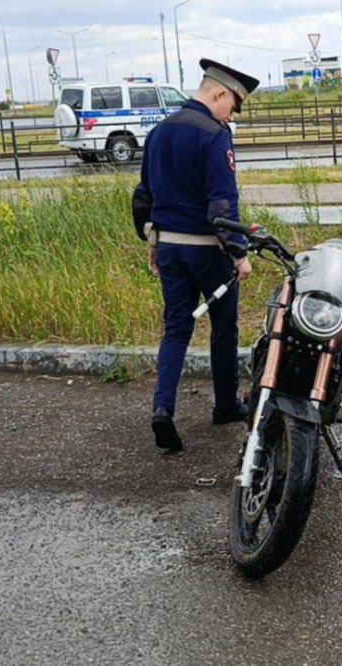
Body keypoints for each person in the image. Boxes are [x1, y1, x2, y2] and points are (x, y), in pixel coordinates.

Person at [132, 58, 260, 453]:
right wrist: (239, 255)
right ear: (219, 93)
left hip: (169, 249)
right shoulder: (214, 135)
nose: (232, 115)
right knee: (223, 329)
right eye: (233, 106)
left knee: (176, 329)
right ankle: (225, 405)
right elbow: (222, 207)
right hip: (209, 254)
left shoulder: (158, 133)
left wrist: (153, 242)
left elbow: (143, 198)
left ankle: (163, 409)